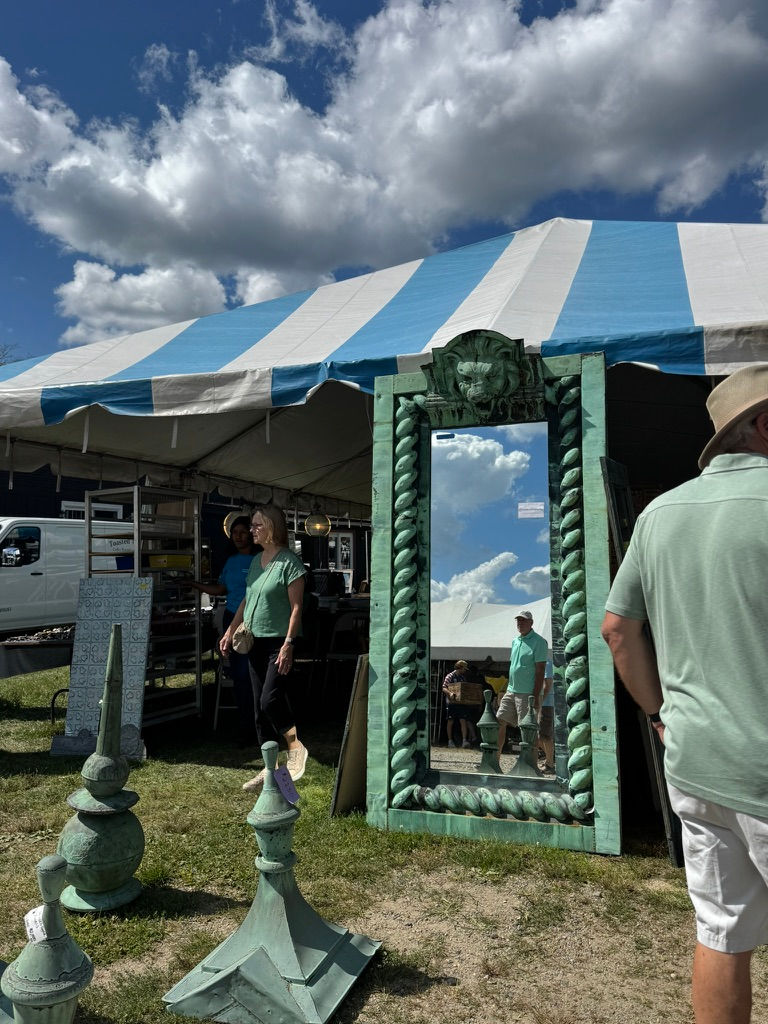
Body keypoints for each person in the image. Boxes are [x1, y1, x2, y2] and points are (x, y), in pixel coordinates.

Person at [601, 363, 768, 1024]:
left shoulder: (659, 514)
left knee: (721, 933)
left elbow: (618, 630)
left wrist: (659, 715)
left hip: (696, 760)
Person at [220, 504, 309, 791]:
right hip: (253, 642)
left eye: (257, 525)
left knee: (270, 701)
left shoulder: (289, 563)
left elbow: (297, 608)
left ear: (272, 527)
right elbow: (246, 600)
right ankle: (273, 775)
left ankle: (295, 747)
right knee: (260, 713)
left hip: (278, 643)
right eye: (252, 525)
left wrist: (288, 644)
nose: (251, 530)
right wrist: (230, 630)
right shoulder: (257, 560)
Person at [189, 512, 257, 744]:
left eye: (243, 532)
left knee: (252, 672)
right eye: (234, 533)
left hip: (255, 619)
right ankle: (246, 724)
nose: (238, 536)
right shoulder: (231, 561)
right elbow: (220, 589)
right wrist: (194, 584)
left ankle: (257, 723)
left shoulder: (260, 559)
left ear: (252, 534)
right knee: (239, 674)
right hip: (232, 618)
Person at [496, 610, 548, 756]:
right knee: (499, 721)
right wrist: (506, 689)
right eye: (518, 620)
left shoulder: (539, 642)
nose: (520, 623)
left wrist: (535, 696)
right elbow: (514, 668)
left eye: (523, 620)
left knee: (528, 729)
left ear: (531, 623)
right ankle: (495, 760)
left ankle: (531, 764)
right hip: (511, 690)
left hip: (528, 693)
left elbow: (540, 671)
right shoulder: (515, 641)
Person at [441, 660, 478, 747]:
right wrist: (450, 693)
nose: (465, 671)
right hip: (451, 703)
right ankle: (450, 741)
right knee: (450, 721)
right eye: (464, 669)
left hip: (461, 703)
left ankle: (464, 741)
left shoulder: (462, 678)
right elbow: (444, 687)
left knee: (463, 720)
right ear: (460, 668)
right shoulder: (450, 676)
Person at [537, 659, 555, 772]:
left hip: (546, 703)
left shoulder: (547, 662)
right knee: (541, 736)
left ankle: (550, 763)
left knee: (543, 736)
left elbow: (547, 684)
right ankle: (550, 759)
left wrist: (539, 702)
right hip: (546, 703)